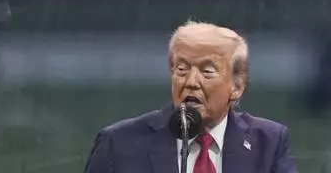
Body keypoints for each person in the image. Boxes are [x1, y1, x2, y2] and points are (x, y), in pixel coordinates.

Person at [84, 21, 298, 173]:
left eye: (207, 71)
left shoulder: (268, 143)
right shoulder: (119, 144)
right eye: (182, 69)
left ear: (237, 87)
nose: (191, 82)